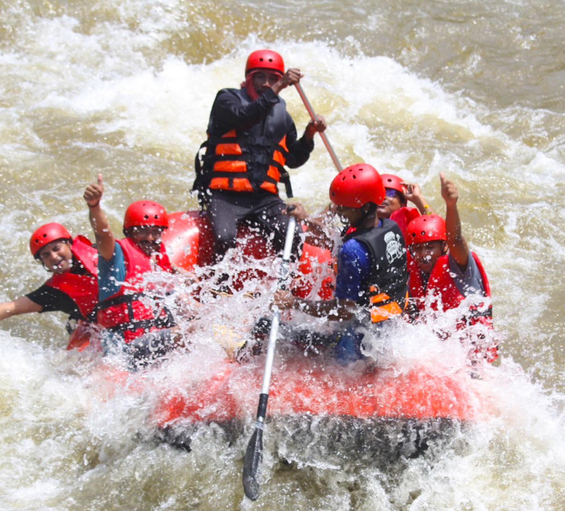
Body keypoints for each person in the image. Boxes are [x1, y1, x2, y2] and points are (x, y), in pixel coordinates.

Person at [192, 49, 327, 261]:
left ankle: (284, 287)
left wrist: (309, 135)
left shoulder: (283, 117)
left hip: (264, 199)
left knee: (291, 234)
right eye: (260, 77)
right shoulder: (227, 100)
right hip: (225, 194)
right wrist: (279, 85)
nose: (266, 83)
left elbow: (293, 159)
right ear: (248, 78)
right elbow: (245, 117)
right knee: (225, 237)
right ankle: (220, 286)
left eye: (272, 78)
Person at [274, 163, 408, 364]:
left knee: (272, 330)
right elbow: (342, 243)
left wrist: (294, 303)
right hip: (389, 330)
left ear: (364, 207)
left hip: (359, 343)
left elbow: (343, 311)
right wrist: (307, 220)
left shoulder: (352, 251)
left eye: (344, 207)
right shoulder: (390, 227)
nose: (338, 210)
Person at [84, 174, 179, 369]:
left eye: (156, 232)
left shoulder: (160, 263)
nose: (150, 238)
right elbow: (103, 234)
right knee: (193, 332)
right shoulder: (115, 256)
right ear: (130, 232)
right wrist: (95, 207)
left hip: (155, 346)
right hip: (127, 350)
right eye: (142, 231)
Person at [0, 223, 99, 348]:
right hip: (97, 324)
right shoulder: (54, 292)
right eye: (46, 255)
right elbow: (11, 308)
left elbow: (107, 236)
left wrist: (94, 206)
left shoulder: (99, 252)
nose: (53, 256)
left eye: (57, 248)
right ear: (43, 263)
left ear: (69, 244)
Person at [405, 173, 496, 362]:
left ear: (443, 246)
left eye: (430, 247)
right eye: (418, 249)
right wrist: (419, 200)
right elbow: (432, 227)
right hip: (443, 351)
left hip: (473, 353)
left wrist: (451, 205)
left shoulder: (458, 263)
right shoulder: (415, 266)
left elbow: (453, 237)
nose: (423, 254)